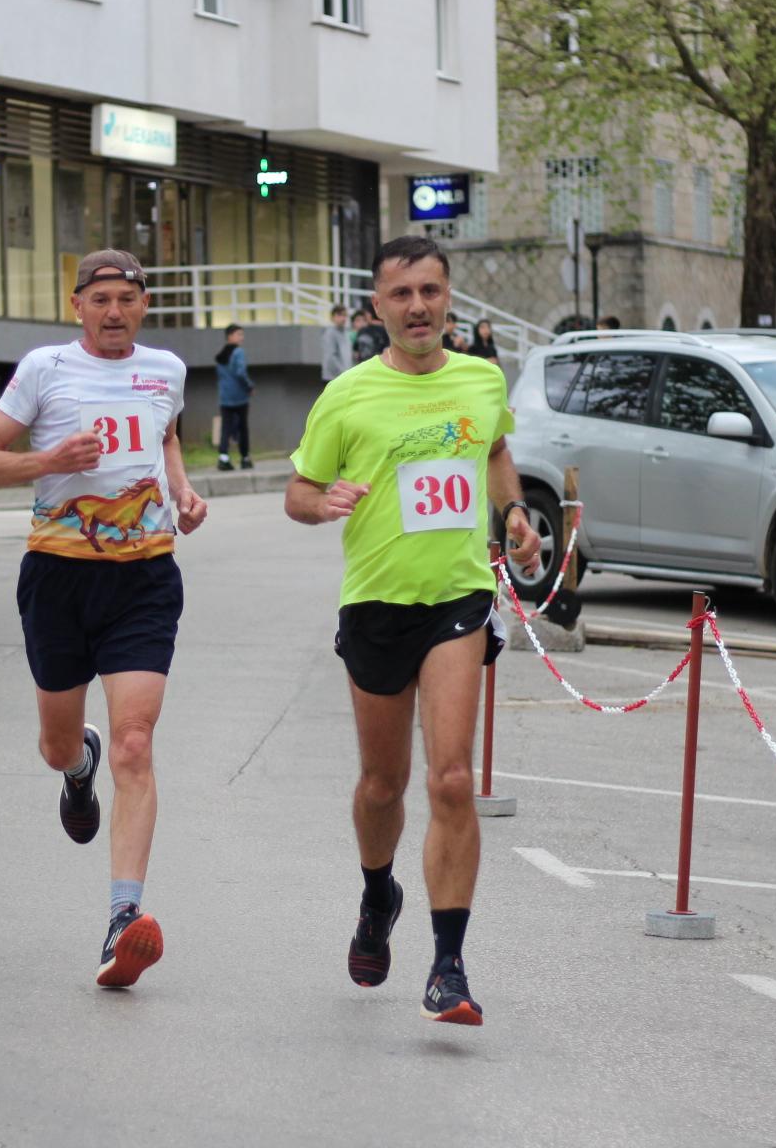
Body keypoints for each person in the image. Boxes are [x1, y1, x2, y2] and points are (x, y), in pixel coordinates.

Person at [284, 234, 539, 1028]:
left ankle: (449, 965)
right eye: (402, 295)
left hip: (456, 599)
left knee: (452, 778)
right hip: (375, 604)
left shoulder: (480, 378)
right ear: (378, 306)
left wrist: (514, 512)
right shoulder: (347, 395)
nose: (419, 307)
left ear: (448, 297)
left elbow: (495, 450)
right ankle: (376, 893)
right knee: (381, 786)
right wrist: (318, 504)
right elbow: (298, 488)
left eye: (430, 291)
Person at [0, 249, 209, 989]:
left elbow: (164, 434)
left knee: (136, 742)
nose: (113, 311)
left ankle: (122, 919)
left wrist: (183, 491)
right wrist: (52, 460)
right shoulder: (44, 369)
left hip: (144, 578)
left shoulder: (167, 370)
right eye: (99, 298)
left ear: (143, 306)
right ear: (77, 306)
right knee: (56, 741)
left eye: (126, 299)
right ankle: (77, 769)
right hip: (58, 577)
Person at [215, 323, 254, 472]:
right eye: (239, 334)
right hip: (239, 397)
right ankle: (245, 458)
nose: (241, 338)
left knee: (226, 428)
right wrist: (249, 386)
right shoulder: (238, 352)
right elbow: (240, 373)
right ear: (230, 336)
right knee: (242, 428)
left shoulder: (221, 354)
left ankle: (223, 457)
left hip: (225, 398)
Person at [322, 305, 354, 382]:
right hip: (332, 378)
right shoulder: (330, 333)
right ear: (332, 317)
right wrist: (344, 372)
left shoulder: (346, 333)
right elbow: (331, 356)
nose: (343, 318)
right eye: (339, 315)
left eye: (345, 315)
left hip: (344, 377)